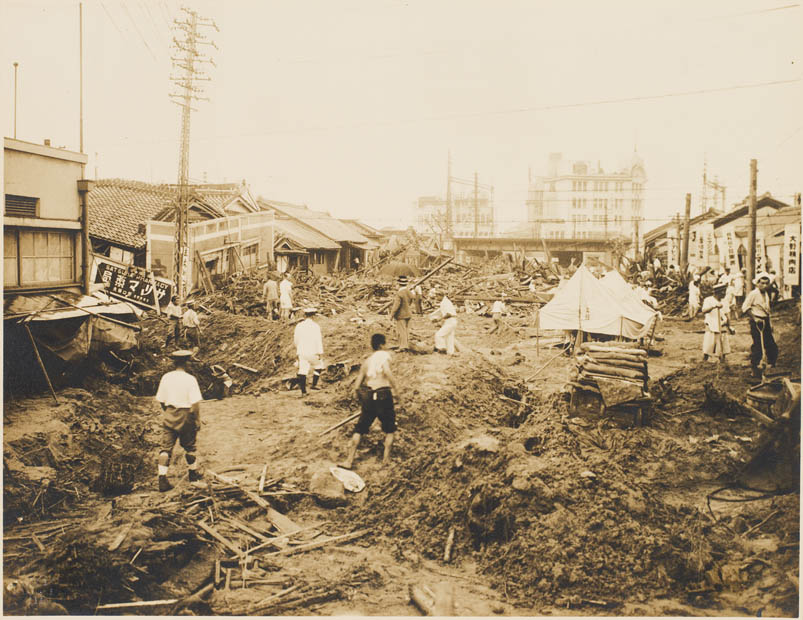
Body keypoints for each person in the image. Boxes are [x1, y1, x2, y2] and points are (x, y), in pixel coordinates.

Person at [340, 333, 400, 469]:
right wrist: (396, 390)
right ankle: (386, 461)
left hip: (369, 395)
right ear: (381, 345)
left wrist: (361, 398)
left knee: (360, 428)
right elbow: (387, 372)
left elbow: (357, 385)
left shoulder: (367, 361)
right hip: (383, 394)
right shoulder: (383, 356)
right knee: (390, 429)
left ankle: (349, 460)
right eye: (386, 343)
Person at [154, 350, 204, 492]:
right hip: (186, 415)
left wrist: (169, 411)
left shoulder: (166, 377)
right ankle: (193, 475)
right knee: (190, 447)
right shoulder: (190, 379)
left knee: (165, 449)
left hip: (169, 413)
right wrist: (197, 420)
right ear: (186, 362)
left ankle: (162, 479)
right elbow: (195, 405)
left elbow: (161, 401)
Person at [742, 272, 778, 377]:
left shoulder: (766, 294)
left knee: (771, 344)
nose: (764, 285)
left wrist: (769, 324)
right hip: (756, 321)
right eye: (762, 283)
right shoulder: (754, 293)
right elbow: (745, 307)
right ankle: (755, 368)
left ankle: (771, 366)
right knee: (758, 345)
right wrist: (755, 318)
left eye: (766, 283)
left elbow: (767, 311)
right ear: (757, 283)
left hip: (765, 320)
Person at [293, 307, 324, 397]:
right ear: (313, 316)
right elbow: (318, 340)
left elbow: (296, 339)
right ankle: (314, 384)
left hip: (302, 351)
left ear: (305, 315)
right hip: (313, 351)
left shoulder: (299, 326)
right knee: (319, 366)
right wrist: (320, 353)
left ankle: (303, 392)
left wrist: (298, 349)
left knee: (302, 370)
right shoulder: (315, 326)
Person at [701, 284, 734, 364]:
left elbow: (727, 314)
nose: (725, 294)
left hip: (722, 325)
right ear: (718, 292)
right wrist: (714, 306)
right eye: (723, 292)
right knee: (709, 345)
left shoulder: (725, 301)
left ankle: (722, 360)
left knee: (723, 344)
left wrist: (730, 326)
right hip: (711, 324)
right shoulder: (708, 300)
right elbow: (704, 311)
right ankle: (704, 361)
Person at [389, 275, 413, 351]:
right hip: (408, 313)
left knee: (401, 331)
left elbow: (396, 306)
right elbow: (411, 300)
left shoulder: (399, 293)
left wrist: (391, 315)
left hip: (401, 315)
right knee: (406, 330)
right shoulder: (409, 292)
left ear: (399, 284)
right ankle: (406, 345)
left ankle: (403, 347)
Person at [432, 289, 458, 355]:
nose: (436, 298)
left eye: (437, 296)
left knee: (439, 335)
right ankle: (450, 352)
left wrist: (439, 319)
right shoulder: (445, 302)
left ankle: (441, 348)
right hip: (452, 321)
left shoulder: (445, 303)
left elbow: (449, 314)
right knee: (449, 337)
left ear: (440, 296)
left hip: (450, 321)